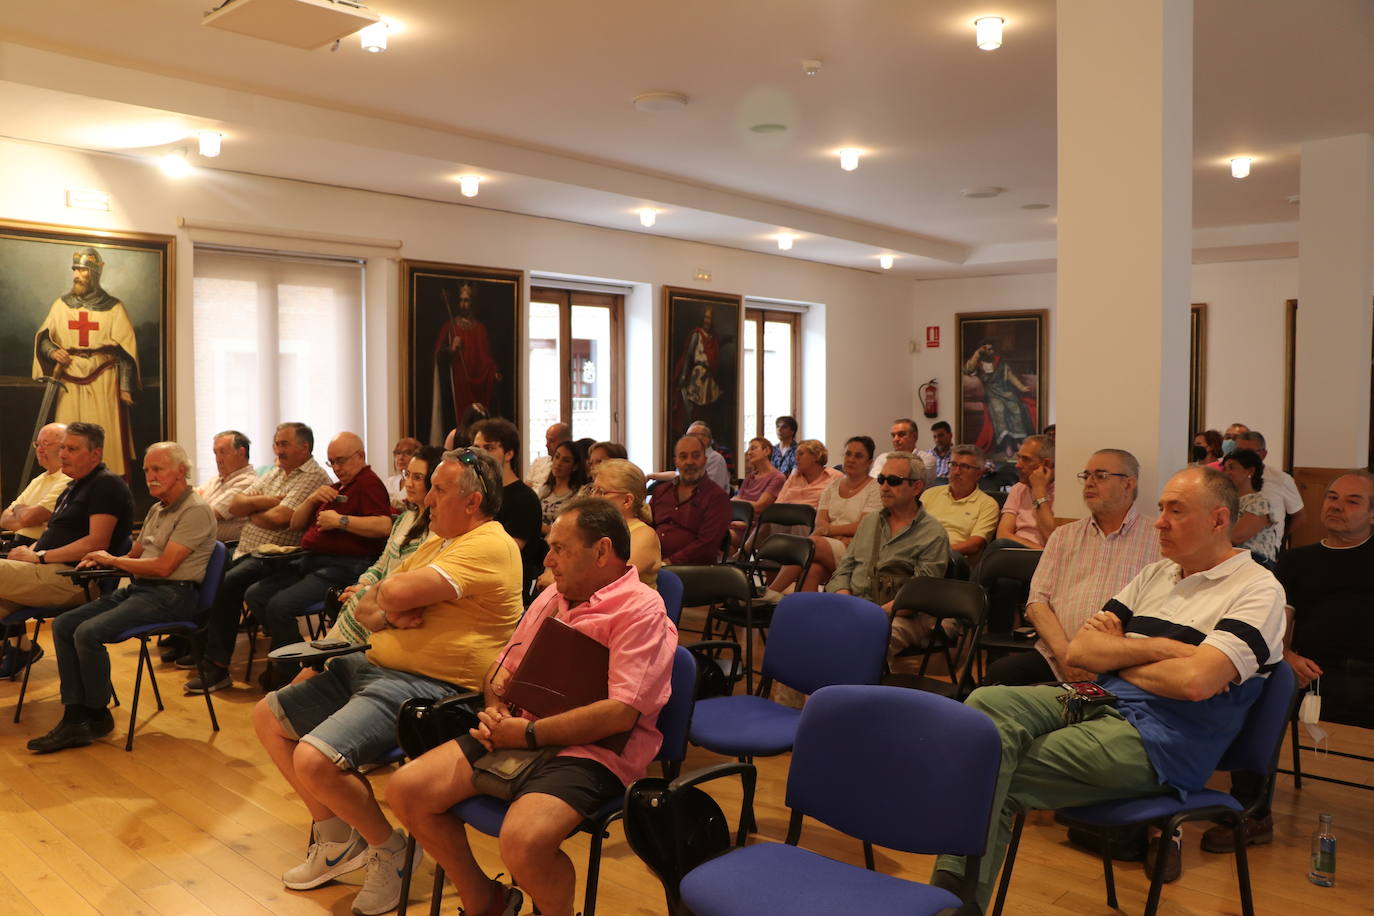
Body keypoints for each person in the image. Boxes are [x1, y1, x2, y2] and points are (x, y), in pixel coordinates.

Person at [932, 467, 1286, 906]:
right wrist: (1161, 649)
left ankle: (949, 904)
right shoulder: (1158, 574)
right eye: (1160, 509)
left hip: (1163, 741)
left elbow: (1195, 683)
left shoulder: (1256, 590)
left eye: (1176, 511)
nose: (1159, 521)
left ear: (1218, 520)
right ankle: (949, 900)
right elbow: (1081, 651)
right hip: (1101, 701)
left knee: (988, 770)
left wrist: (1120, 654)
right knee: (986, 701)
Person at [250, 448, 523, 916]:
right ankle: (336, 840)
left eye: (438, 490)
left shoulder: (489, 544)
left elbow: (388, 593)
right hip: (375, 666)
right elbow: (367, 604)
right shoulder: (439, 541)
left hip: (429, 687)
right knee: (267, 716)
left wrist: (386, 604)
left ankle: (391, 852)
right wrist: (388, 609)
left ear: (472, 501)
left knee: (315, 761)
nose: (427, 500)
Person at [387, 497, 677, 916]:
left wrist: (526, 734)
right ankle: (484, 899)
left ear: (602, 551)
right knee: (405, 790)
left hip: (593, 751)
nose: (549, 559)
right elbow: (501, 670)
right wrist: (496, 707)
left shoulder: (641, 609)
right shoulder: (552, 597)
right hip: (523, 731)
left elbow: (620, 713)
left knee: (522, 840)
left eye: (561, 548)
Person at [1201, 471, 1374, 856]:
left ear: (1373, 514)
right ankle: (1252, 813)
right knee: (1256, 688)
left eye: (1352, 501)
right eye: (1331, 497)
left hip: (1369, 674)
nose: (1336, 506)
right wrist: (1288, 658)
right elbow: (1278, 624)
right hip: (1307, 673)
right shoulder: (1297, 560)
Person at [28, 441, 217, 753]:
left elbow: (164, 566)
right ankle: (76, 715)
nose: (150, 476)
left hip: (174, 594)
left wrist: (112, 560)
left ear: (181, 471)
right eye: (146, 470)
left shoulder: (195, 510)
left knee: (88, 633)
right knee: (63, 625)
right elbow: (135, 554)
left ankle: (97, 714)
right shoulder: (158, 508)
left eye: (158, 469)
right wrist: (99, 559)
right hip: (143, 589)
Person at [983, 449, 1160, 686]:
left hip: (1123, 663)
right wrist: (1066, 656)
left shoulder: (1158, 539)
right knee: (1002, 674)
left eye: (1100, 476)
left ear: (1128, 484)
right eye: (1086, 476)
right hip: (1057, 656)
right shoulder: (1064, 536)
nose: (1089, 483)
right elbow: (1037, 603)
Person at [184, 422, 330, 693]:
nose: (278, 450)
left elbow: (279, 520)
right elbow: (237, 504)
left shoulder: (314, 476)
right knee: (204, 572)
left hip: (277, 557)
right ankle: (191, 644)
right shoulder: (276, 471)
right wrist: (271, 501)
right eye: (276, 444)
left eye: (284, 444)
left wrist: (254, 508)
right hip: (246, 550)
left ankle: (216, 665)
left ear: (304, 447)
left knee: (224, 585)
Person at [248, 432, 394, 689]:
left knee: (279, 607)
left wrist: (341, 521)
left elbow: (383, 525)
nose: (336, 468)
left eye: (341, 461)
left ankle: (294, 675)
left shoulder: (368, 483)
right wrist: (312, 498)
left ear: (360, 456)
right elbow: (296, 522)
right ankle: (291, 660)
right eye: (331, 463)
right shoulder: (337, 487)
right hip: (311, 561)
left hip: (342, 566)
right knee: (255, 594)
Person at [0, 422, 134, 677]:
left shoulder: (106, 484)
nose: (62, 454)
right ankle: (22, 650)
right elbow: (51, 534)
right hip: (48, 571)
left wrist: (39, 556)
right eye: (61, 448)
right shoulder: (73, 486)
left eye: (71, 449)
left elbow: (97, 543)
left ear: (95, 454)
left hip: (75, 579)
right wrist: (30, 553)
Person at [827, 451, 949, 662]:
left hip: (902, 616)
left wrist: (869, 615)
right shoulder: (869, 522)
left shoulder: (933, 534)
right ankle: (808, 694)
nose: (884, 487)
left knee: (861, 640)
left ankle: (842, 695)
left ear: (917, 487)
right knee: (805, 632)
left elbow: (918, 596)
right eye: (881, 479)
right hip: (855, 606)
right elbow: (844, 569)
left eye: (893, 481)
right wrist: (846, 602)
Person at [31, 248, 140, 476]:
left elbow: (126, 351)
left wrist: (125, 388)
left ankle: (107, 481)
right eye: (76, 270)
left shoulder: (114, 307)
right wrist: (53, 352)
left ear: (94, 274)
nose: (77, 276)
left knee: (105, 433)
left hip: (104, 379)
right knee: (67, 435)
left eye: (82, 271)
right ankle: (64, 483)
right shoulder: (61, 305)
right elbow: (44, 339)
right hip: (68, 377)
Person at [326, 445, 444, 646]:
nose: (408, 483)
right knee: (352, 598)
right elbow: (383, 563)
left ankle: (327, 662)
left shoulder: (439, 526)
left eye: (417, 477)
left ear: (433, 482)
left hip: (401, 604)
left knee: (356, 606)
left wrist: (369, 591)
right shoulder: (405, 518)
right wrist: (363, 584)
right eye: (407, 475)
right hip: (379, 593)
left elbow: (414, 576)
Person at [770, 436, 881, 594]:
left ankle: (770, 592)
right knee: (812, 570)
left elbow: (862, 526)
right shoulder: (833, 486)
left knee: (810, 543)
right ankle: (808, 615)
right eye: (848, 454)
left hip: (857, 550)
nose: (851, 459)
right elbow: (820, 522)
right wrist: (836, 534)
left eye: (858, 456)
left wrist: (828, 531)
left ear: (869, 462)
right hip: (831, 544)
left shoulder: (875, 488)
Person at [471, 418, 548, 599]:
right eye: (476, 448)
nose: (480, 455)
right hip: (478, 580)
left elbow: (506, 551)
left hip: (505, 588)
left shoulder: (524, 499)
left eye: (489, 448)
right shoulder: (477, 493)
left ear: (509, 454)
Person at [431, 281, 501, 444]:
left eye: (467, 300)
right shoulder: (450, 326)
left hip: (477, 382)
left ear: (472, 303)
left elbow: (486, 357)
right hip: (458, 380)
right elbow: (438, 357)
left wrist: (494, 371)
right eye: (461, 300)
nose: (464, 304)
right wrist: (451, 349)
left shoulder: (480, 328)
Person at [650, 435, 731, 566]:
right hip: (654, 563)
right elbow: (647, 526)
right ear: (676, 462)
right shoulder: (661, 492)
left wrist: (669, 562)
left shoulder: (717, 498)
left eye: (695, 456)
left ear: (705, 460)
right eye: (683, 456)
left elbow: (707, 544)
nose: (689, 462)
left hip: (693, 571)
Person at [920, 444, 1000, 559]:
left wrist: (937, 553)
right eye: (953, 465)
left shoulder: (988, 504)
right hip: (918, 553)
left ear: (978, 474)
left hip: (953, 560)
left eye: (964, 467)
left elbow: (975, 544)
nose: (956, 472)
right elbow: (913, 528)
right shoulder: (930, 494)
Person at [590, 459, 662, 587]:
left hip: (629, 606)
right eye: (593, 490)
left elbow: (610, 579)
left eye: (601, 492)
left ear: (627, 501)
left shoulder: (644, 535)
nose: (593, 498)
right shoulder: (596, 529)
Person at [963, 340, 1035, 459]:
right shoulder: (978, 363)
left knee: (1016, 408)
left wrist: (1021, 387)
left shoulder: (1000, 362)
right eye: (987, 349)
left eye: (992, 349)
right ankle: (1007, 444)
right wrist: (977, 353)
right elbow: (967, 370)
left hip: (1006, 392)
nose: (990, 351)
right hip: (991, 394)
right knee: (999, 409)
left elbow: (1011, 376)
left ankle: (1017, 441)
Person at [1, 422, 70, 546]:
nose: (39, 449)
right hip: (18, 546)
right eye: (37, 444)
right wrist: (28, 518)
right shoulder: (38, 480)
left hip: (43, 549)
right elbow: (4, 519)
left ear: (64, 447)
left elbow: (33, 517)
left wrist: (19, 510)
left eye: (46, 444)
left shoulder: (69, 478)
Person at [1234, 430, 1305, 533]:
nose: (1243, 458)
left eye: (1249, 453)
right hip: (1232, 541)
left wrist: (1279, 540)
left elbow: (1299, 516)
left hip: (1266, 545)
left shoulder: (1281, 479)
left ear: (1263, 454)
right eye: (1239, 452)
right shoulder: (1228, 476)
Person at [993, 434, 1055, 548]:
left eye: (1026, 459)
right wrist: (1035, 550)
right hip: (1016, 551)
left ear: (1046, 464)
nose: (1017, 465)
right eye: (1018, 457)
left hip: (1044, 559)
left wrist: (1039, 490)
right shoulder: (1019, 488)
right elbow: (1002, 535)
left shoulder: (1062, 493)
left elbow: (1052, 539)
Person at [1220, 448, 1281, 565]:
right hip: (1232, 559)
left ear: (1250, 471)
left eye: (1232, 468)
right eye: (1225, 469)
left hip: (1256, 562)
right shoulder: (1225, 501)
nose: (1226, 473)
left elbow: (1237, 536)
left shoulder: (1258, 501)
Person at [671, 304, 724, 438]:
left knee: (707, 409)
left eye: (710, 319)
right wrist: (683, 375)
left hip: (708, 377)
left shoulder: (713, 338)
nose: (708, 321)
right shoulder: (697, 334)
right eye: (706, 318)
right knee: (694, 407)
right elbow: (688, 355)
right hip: (697, 375)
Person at [196, 429, 258, 542]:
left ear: (241, 453)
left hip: (226, 549)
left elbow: (208, 516)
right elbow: (189, 500)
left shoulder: (248, 482)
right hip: (202, 544)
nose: (218, 460)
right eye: (216, 453)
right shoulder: (216, 480)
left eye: (223, 452)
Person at [732, 436, 785, 551]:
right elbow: (736, 505)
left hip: (756, 528)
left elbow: (760, 506)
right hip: (738, 523)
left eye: (753, 448)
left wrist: (737, 502)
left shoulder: (777, 477)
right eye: (749, 449)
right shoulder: (750, 477)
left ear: (767, 451)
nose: (749, 453)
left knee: (718, 536)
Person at [538, 440, 589, 535]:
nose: (558, 463)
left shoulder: (580, 493)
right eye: (557, 457)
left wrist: (540, 528)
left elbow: (572, 529)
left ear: (575, 466)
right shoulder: (545, 489)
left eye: (566, 460)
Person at [777, 439, 841, 508]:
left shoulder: (835, 477)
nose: (796, 458)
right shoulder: (794, 476)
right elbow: (778, 503)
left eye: (801, 454)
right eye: (796, 454)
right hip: (786, 516)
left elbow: (837, 509)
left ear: (816, 456)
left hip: (815, 517)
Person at [525, 421, 570, 493]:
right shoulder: (538, 462)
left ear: (565, 441)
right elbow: (526, 487)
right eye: (547, 440)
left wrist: (533, 487)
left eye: (551, 441)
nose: (547, 445)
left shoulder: (566, 467)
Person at [687, 422, 731, 490]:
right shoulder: (687, 459)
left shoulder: (716, 459)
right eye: (687, 436)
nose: (687, 440)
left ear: (706, 439)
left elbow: (712, 490)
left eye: (692, 435)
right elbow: (677, 476)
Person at [385, 437, 422, 505]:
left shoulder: (420, 483)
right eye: (398, 453)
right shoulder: (388, 482)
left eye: (407, 453)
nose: (401, 457)